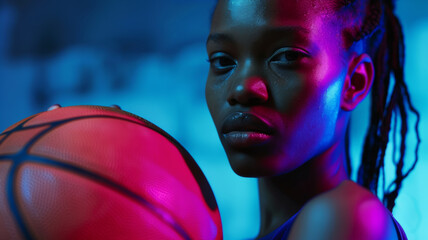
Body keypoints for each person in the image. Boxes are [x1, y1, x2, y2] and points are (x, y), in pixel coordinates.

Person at [205, 0, 420, 239]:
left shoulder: (342, 218)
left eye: (287, 57)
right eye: (222, 61)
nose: (242, 89)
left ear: (353, 83)